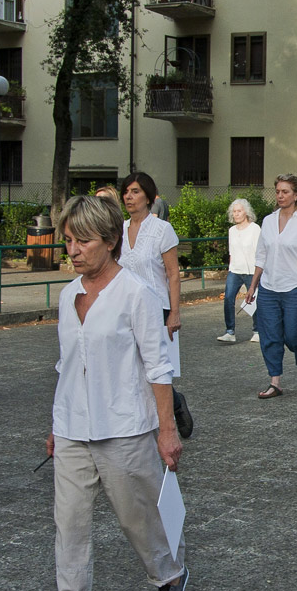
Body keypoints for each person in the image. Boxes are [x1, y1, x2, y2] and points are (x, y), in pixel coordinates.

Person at [32, 196, 188, 591]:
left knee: (137, 517)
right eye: (68, 240)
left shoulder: (136, 293)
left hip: (124, 428)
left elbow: (158, 366)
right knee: (69, 524)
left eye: (83, 241)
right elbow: (66, 364)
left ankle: (171, 574)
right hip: (73, 428)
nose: (73, 250)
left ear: (110, 239)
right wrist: (57, 423)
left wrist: (166, 430)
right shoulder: (67, 296)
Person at [119, 172, 193, 438]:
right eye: (126, 192)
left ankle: (175, 403)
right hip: (124, 309)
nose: (129, 197)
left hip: (156, 308)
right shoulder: (119, 230)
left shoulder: (161, 229)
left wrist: (174, 312)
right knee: (130, 367)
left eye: (135, 191)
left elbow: (173, 273)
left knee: (153, 368)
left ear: (148, 196)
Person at [245, 174, 297, 399]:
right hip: (268, 288)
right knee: (270, 337)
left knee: (293, 336)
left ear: (296, 195)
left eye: (285, 192)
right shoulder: (268, 221)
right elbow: (261, 256)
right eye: (278, 191)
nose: (280, 196)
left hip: (296, 287)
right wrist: (252, 286)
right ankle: (275, 382)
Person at [217, 198, 260, 343]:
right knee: (228, 298)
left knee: (254, 301)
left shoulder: (255, 229)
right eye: (234, 211)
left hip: (251, 271)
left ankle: (257, 331)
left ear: (246, 212)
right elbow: (232, 252)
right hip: (235, 270)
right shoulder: (232, 231)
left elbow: (259, 252)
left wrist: (258, 273)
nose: (236, 214)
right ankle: (230, 331)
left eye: (239, 211)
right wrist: (230, 269)